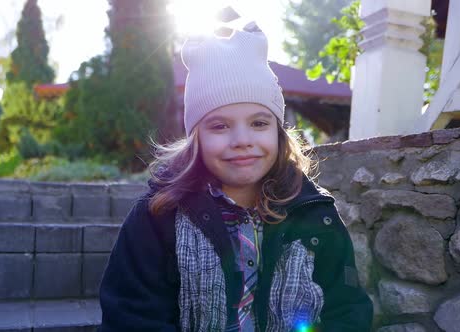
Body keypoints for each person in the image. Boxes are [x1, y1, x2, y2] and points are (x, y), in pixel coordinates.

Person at [98, 22, 373, 332]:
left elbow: (347, 310)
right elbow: (131, 317)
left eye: (259, 123)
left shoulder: (317, 215)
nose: (242, 140)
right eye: (220, 126)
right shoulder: (158, 216)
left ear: (279, 133)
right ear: (195, 137)